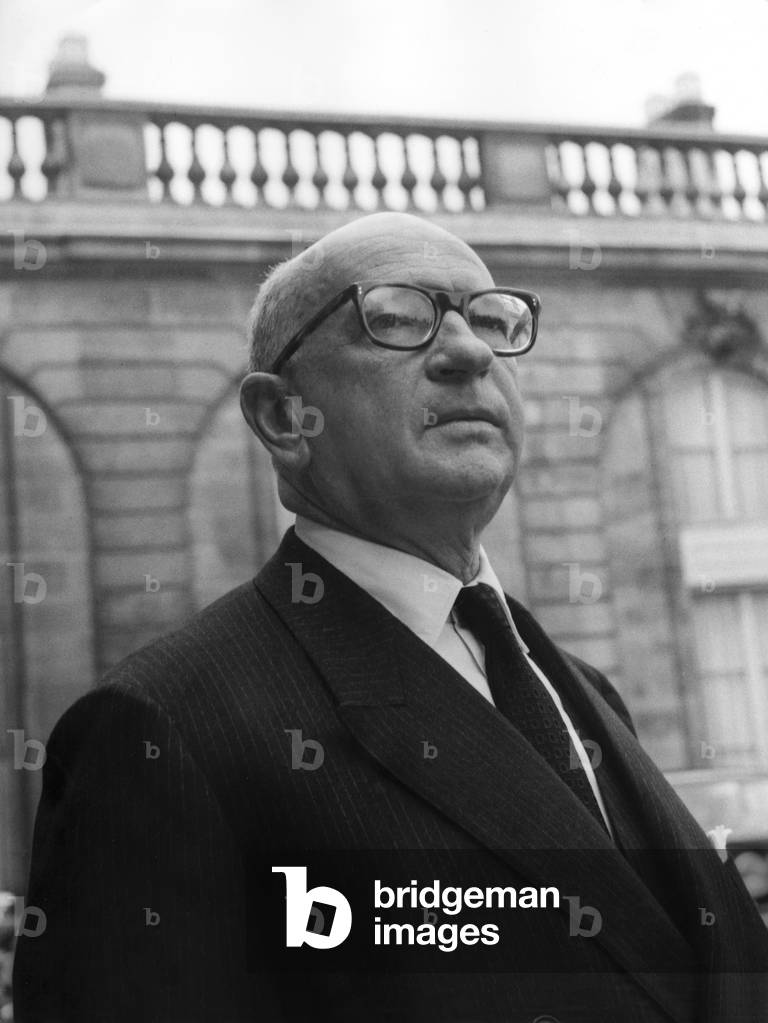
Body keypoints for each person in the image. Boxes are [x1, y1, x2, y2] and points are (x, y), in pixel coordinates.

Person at [13, 213, 768, 1022]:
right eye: (398, 318)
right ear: (280, 417)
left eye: (491, 319)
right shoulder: (163, 729)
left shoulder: (580, 690)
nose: (471, 351)